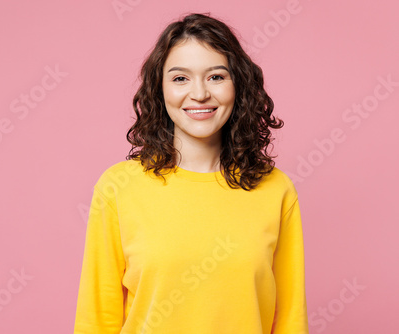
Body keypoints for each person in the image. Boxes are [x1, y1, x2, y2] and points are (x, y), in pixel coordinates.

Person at [73, 12, 309, 334]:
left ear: (238, 85)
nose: (199, 94)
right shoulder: (119, 187)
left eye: (216, 76)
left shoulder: (276, 189)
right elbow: (96, 319)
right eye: (180, 78)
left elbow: (290, 319)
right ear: (160, 90)